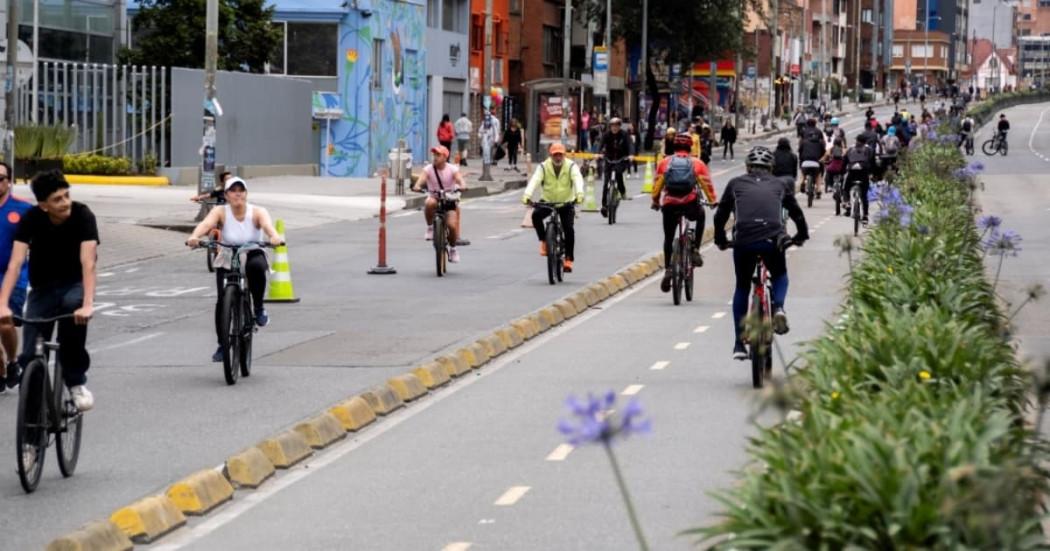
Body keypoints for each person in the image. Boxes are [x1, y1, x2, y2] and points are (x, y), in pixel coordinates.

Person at [0, 170, 99, 410]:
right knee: (30, 354)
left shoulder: (83, 215)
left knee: (72, 316)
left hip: (74, 284)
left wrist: (87, 305)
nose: (65, 203)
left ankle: (75, 382)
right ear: (44, 205)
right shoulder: (31, 219)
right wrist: (2, 304)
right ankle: (33, 424)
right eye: (57, 199)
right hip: (42, 289)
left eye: (66, 196)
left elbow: (88, 263)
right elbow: (15, 263)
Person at [713, 147, 808, 360]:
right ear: (770, 167)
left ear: (748, 167)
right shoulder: (780, 184)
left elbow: (720, 215)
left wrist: (721, 240)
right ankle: (779, 308)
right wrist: (801, 235)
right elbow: (796, 213)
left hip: (744, 240)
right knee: (780, 275)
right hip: (772, 239)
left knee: (742, 286)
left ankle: (739, 343)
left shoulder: (735, 183)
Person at [186, 177, 284, 363]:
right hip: (228, 253)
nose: (237, 194)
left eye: (241, 190)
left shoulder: (257, 212)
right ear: (226, 195)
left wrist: (274, 237)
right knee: (222, 300)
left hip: (252, 251)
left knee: (257, 266)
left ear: (246, 194)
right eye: (233, 190)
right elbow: (206, 224)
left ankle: (259, 308)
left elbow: (268, 227)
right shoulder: (220, 211)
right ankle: (223, 345)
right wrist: (195, 237)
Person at [651, 134, 717, 292]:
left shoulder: (665, 162)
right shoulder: (697, 163)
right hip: (689, 204)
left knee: (668, 238)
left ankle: (668, 269)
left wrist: (655, 201)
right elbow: (706, 184)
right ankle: (695, 250)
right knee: (701, 216)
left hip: (670, 205)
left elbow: (657, 185)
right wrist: (713, 200)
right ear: (690, 147)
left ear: (674, 146)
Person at [522, 143, 584, 272]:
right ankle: (544, 241)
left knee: (569, 230)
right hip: (548, 201)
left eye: (560, 154)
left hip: (566, 202)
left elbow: (577, 179)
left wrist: (579, 194)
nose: (558, 157)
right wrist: (527, 195)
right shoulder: (543, 167)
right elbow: (535, 180)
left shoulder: (571, 166)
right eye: (555, 155)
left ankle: (568, 259)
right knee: (536, 215)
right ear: (551, 155)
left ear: (564, 155)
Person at [0, 162, 31, 391]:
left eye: (0, 178)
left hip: (13, 276)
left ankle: (12, 361)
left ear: (8, 182)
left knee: (4, 323)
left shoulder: (23, 210)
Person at [412, 145, 468, 262]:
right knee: (429, 203)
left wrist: (463, 186)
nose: (435, 157)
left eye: (438, 155)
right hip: (435, 197)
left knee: (452, 226)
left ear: (445, 157)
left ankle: (453, 249)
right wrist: (417, 186)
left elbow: (460, 179)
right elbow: (421, 180)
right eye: (434, 155)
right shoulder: (428, 169)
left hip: (449, 199)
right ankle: (430, 228)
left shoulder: (452, 169)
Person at [599, 117, 632, 217]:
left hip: (621, 160)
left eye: (617, 125)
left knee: (618, 174)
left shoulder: (624, 135)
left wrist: (631, 155)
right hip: (609, 160)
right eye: (613, 125)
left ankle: (622, 192)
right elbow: (601, 144)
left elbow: (630, 145)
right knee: (606, 183)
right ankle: (604, 206)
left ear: (619, 126)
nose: (614, 127)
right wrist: (598, 153)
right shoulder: (606, 135)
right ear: (610, 126)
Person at [843, 135, 875, 222]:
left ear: (857, 140)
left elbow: (845, 160)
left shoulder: (850, 148)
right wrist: (872, 173)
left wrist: (843, 171)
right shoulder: (869, 149)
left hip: (852, 172)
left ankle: (847, 204)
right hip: (863, 173)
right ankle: (865, 216)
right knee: (864, 195)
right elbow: (872, 162)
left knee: (846, 189)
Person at [797, 124, 826, 193]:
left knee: (803, 173)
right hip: (816, 163)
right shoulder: (820, 143)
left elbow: (800, 151)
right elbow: (823, 153)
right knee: (818, 174)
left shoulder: (804, 142)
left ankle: (802, 182)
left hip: (805, 163)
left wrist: (802, 159)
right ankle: (818, 189)